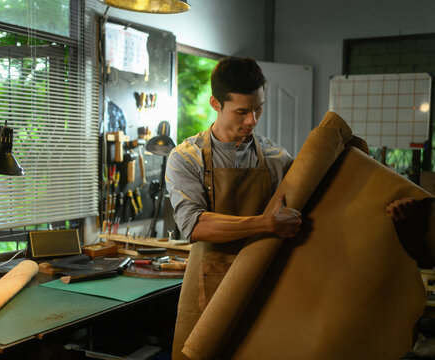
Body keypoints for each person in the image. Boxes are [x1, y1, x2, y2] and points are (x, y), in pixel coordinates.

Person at [165, 56, 416, 360]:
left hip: (263, 284)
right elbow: (194, 226)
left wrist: (386, 204)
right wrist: (265, 224)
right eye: (242, 111)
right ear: (215, 104)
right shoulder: (186, 158)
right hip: (208, 285)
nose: (252, 121)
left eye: (258, 108)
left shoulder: (275, 158)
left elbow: (328, 197)